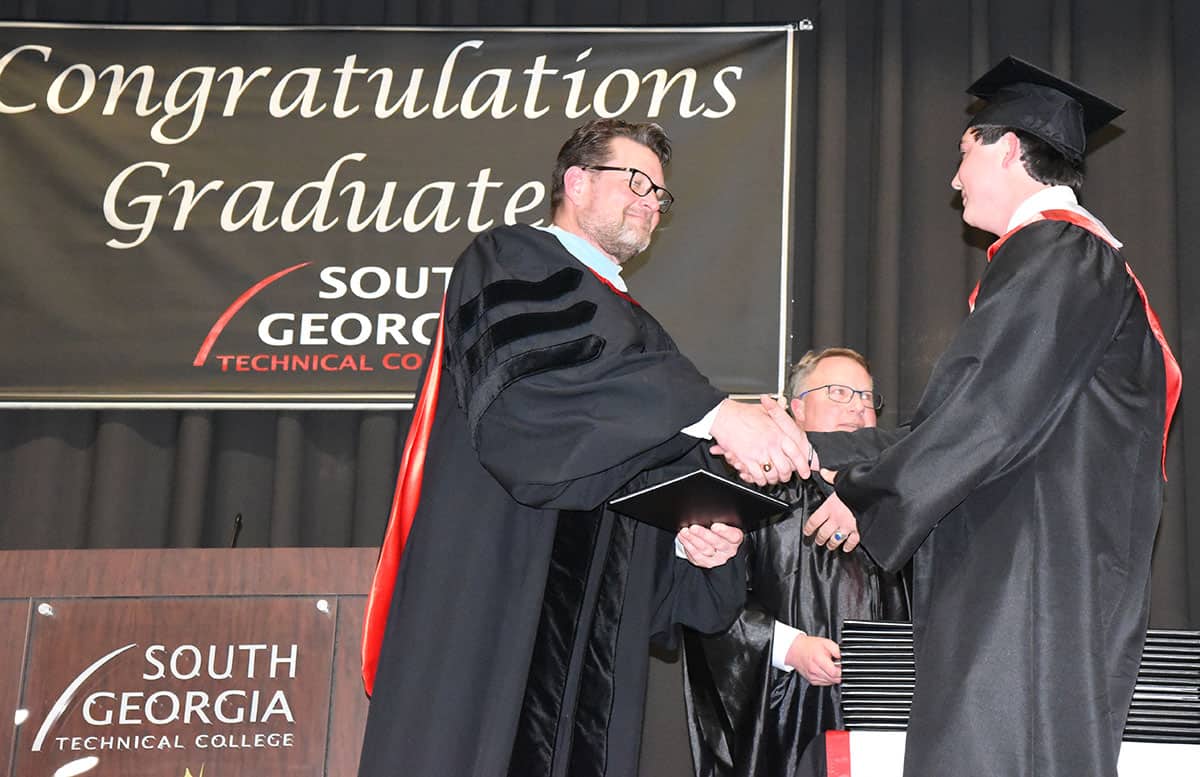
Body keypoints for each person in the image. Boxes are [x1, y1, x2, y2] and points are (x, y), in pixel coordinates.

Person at [356, 118, 815, 777]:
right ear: (575, 181)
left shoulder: (645, 336)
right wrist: (714, 411)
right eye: (636, 181)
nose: (651, 202)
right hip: (495, 589)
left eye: (660, 194)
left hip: (591, 658)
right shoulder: (512, 259)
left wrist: (694, 538)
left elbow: (639, 472)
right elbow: (532, 424)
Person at [800, 57, 1181, 777]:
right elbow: (953, 418)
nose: (954, 179)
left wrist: (869, 493)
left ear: (1007, 147)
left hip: (1029, 589)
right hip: (1028, 574)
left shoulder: (1065, 254)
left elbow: (987, 413)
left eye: (963, 153)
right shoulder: (1067, 264)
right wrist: (812, 445)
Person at [682, 348, 910, 777]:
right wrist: (790, 648)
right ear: (797, 408)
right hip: (787, 707)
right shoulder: (748, 485)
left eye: (866, 396)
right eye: (839, 392)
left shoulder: (902, 499)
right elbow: (708, 602)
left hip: (887, 715)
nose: (858, 405)